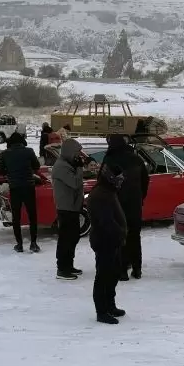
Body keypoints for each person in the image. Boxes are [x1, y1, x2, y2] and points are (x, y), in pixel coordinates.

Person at [102, 134, 149, 280]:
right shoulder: (136, 159)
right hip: (134, 204)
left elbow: (102, 182)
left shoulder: (109, 159)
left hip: (116, 204)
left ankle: (122, 271)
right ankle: (137, 269)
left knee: (119, 236)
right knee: (135, 236)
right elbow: (145, 181)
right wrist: (140, 197)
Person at [87, 163, 128, 324]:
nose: (121, 181)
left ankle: (110, 305)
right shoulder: (100, 195)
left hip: (113, 241)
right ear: (110, 178)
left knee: (114, 273)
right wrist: (120, 232)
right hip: (104, 241)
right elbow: (106, 222)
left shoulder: (108, 192)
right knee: (103, 276)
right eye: (118, 178)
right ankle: (101, 311)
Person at [0, 130, 43, 252]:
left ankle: (19, 244)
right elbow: (37, 166)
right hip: (28, 186)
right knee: (32, 215)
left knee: (16, 217)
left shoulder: (5, 154)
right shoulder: (29, 151)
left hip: (15, 187)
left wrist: (10, 172)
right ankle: (33, 243)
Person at [51, 137, 87, 279]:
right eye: (77, 153)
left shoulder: (68, 164)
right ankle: (62, 268)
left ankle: (69, 265)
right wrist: (79, 168)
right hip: (66, 208)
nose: (78, 156)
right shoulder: (61, 166)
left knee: (73, 237)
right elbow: (74, 183)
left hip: (72, 206)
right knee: (66, 239)